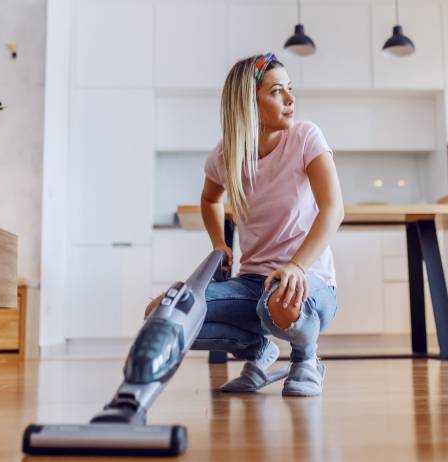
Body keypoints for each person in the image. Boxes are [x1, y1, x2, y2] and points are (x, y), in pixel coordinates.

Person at [146, 52, 344, 396]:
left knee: (278, 301)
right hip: (252, 282)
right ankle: (258, 351)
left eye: (290, 89)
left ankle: (306, 360)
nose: (290, 99)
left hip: (310, 282)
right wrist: (218, 243)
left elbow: (333, 209)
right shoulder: (226, 155)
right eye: (277, 91)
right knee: (163, 313)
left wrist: (297, 266)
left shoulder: (306, 137)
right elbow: (209, 200)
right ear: (248, 103)